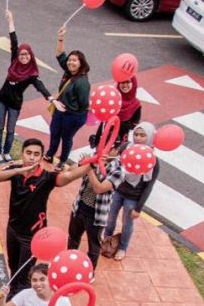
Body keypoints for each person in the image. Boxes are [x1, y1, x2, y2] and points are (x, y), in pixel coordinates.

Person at [0, 139, 91, 295]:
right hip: (12, 228)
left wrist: (90, 166)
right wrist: (17, 171)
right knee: (13, 265)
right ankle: (14, 291)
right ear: (22, 154)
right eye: (28, 153)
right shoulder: (15, 169)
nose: (32, 157)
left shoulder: (47, 178)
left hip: (32, 236)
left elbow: (68, 176)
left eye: (36, 154)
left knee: (25, 273)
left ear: (41, 157)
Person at [0, 10, 53, 164]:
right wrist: (11, 20)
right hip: (2, 99)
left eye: (27, 55)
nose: (24, 57)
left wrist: (51, 98)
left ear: (31, 56)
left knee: (11, 130)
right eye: (22, 55)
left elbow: (40, 85)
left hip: (15, 104)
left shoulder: (32, 73)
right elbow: (14, 40)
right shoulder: (14, 60)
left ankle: (6, 153)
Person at [101, 122, 160, 261]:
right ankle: (106, 240)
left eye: (143, 135)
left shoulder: (153, 160)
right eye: (136, 134)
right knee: (109, 218)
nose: (138, 138)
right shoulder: (126, 147)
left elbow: (149, 186)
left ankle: (122, 247)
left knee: (127, 223)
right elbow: (115, 162)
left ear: (150, 137)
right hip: (118, 190)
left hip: (133, 198)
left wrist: (138, 208)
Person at [45, 25, 90, 167]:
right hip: (60, 111)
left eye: (74, 60)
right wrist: (61, 38)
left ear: (81, 63)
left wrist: (69, 109)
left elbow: (83, 104)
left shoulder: (82, 82)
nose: (70, 62)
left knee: (66, 138)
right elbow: (59, 55)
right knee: (54, 133)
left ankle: (62, 161)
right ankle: (50, 154)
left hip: (73, 116)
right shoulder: (69, 72)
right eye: (70, 60)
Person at [66, 160, 124, 272]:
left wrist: (89, 169)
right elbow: (70, 172)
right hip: (79, 208)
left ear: (115, 149)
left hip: (96, 215)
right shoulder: (92, 160)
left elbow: (99, 188)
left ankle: (89, 273)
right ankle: (68, 264)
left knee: (93, 246)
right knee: (73, 239)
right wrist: (83, 163)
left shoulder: (118, 170)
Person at [89, 77, 141, 149]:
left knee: (116, 154)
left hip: (121, 134)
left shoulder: (136, 104)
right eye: (122, 82)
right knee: (100, 151)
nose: (125, 85)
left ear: (133, 84)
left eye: (128, 82)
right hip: (106, 130)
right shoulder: (112, 98)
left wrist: (120, 124)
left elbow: (134, 123)